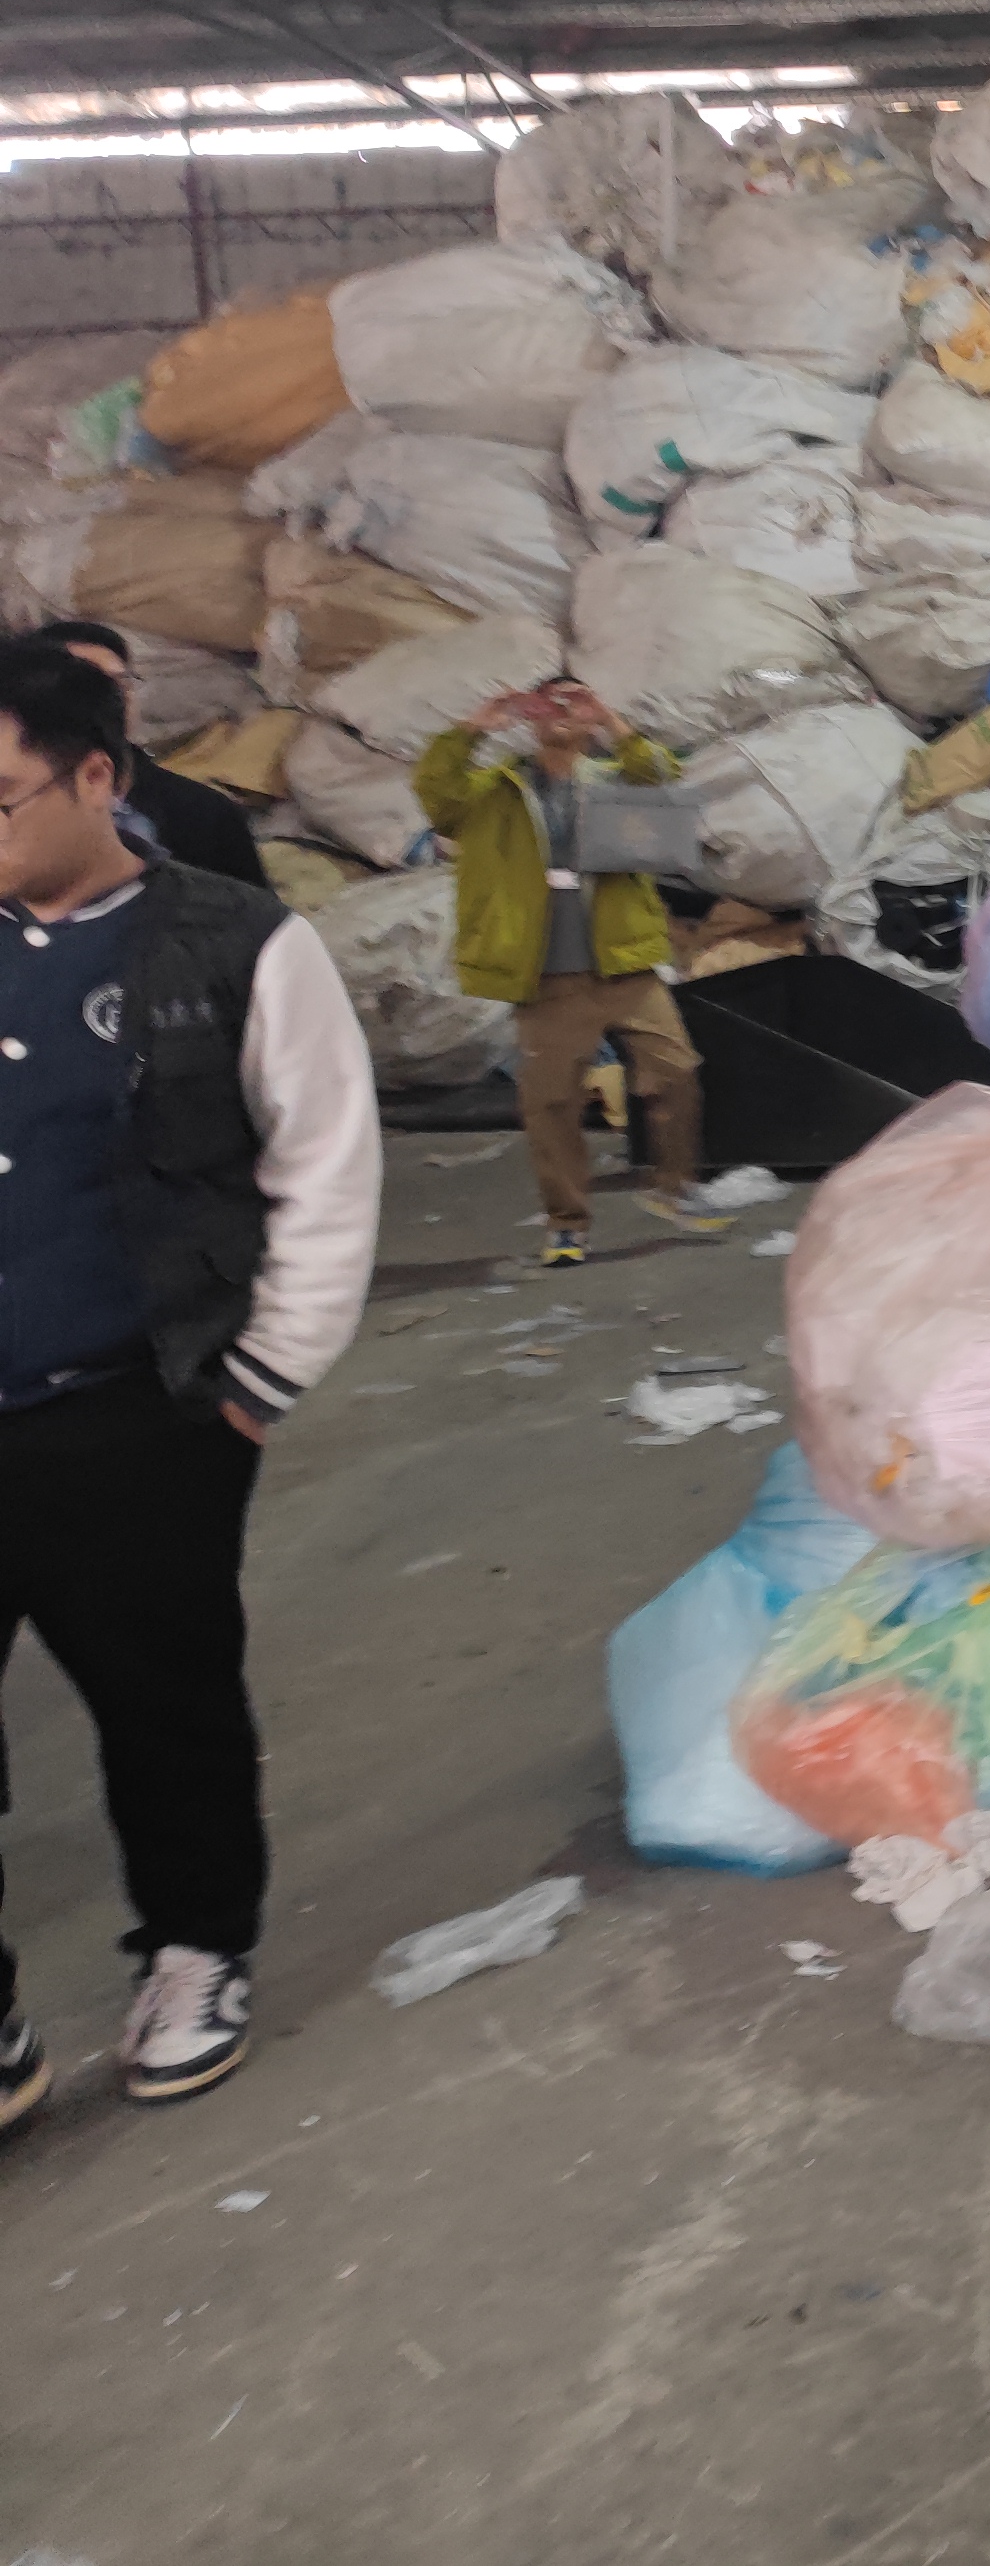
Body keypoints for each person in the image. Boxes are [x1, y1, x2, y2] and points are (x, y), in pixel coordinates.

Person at [0, 636, 377, 2131]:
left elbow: (327, 1172)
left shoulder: (235, 944)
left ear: (96, 775)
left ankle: (195, 1951)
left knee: (164, 1704)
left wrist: (256, 1383)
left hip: (137, 1407)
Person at [411, 678, 720, 1266]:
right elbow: (436, 793)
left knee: (676, 1070)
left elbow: (666, 780)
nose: (561, 712)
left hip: (623, 962)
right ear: (530, 717)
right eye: (549, 702)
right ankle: (566, 1224)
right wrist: (474, 728)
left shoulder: (614, 784)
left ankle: (673, 1187)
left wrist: (612, 723)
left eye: (574, 702)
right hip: (547, 975)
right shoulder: (493, 792)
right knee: (552, 1103)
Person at [33, 621, 273, 890]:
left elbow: (254, 911)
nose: (112, 700)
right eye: (88, 686)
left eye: (121, 684)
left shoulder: (204, 815)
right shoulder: (16, 808)